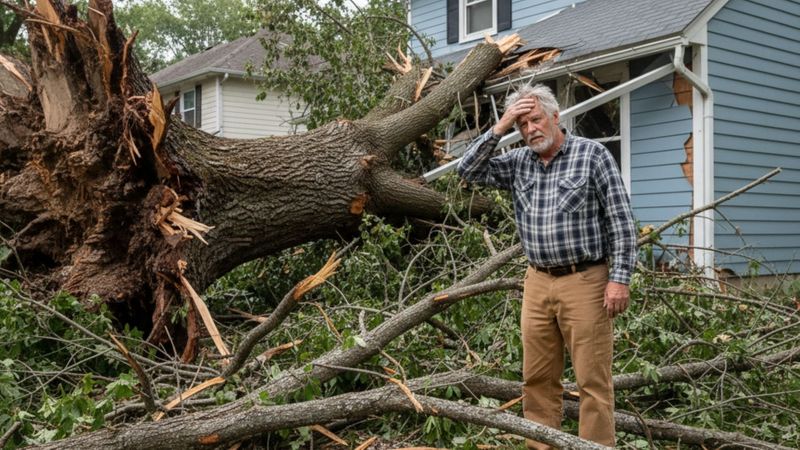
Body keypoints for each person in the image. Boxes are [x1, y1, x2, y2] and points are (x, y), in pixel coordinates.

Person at [457, 84, 636, 448]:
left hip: (585, 279)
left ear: (555, 117)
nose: (530, 129)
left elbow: (621, 221)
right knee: (537, 379)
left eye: (535, 119)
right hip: (537, 282)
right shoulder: (518, 162)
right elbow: (467, 170)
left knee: (592, 382)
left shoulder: (592, 156)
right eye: (522, 125)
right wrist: (501, 124)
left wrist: (619, 279)